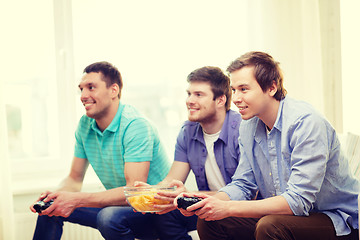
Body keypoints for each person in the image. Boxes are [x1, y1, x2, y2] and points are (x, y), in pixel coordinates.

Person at [177, 51, 360, 240]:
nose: (236, 98)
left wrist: (228, 207)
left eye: (244, 89)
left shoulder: (306, 123)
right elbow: (243, 184)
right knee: (210, 220)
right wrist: (208, 203)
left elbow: (297, 201)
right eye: (234, 90)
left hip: (336, 219)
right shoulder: (248, 126)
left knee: (270, 226)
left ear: (271, 87)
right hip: (286, 217)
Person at [30, 61, 171, 240]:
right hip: (122, 208)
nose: (83, 95)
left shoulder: (136, 126)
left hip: (155, 211)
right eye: (81, 89)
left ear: (114, 90)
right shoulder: (85, 125)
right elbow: (74, 179)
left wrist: (76, 199)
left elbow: (134, 193)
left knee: (109, 217)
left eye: (91, 87)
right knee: (51, 208)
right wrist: (56, 195)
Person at [136, 66, 242, 240]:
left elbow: (245, 192)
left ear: (220, 100)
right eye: (189, 94)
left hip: (240, 208)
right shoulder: (188, 131)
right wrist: (152, 192)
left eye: (198, 95)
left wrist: (190, 196)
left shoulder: (241, 130)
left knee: (205, 216)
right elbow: (172, 180)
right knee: (164, 212)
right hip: (206, 204)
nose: (189, 100)